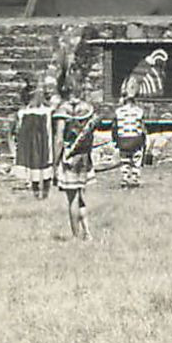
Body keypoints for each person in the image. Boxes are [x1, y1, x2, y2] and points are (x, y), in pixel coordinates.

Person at [52, 76, 97, 241]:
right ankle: (88, 232)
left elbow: (58, 139)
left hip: (69, 158)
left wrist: (54, 162)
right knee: (81, 195)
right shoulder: (87, 108)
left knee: (72, 199)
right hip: (84, 157)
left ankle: (76, 235)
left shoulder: (63, 109)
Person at [11, 79, 54, 200]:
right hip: (32, 144)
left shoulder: (47, 111)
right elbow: (17, 130)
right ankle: (36, 191)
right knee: (34, 163)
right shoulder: (23, 113)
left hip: (45, 141)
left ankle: (45, 190)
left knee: (46, 163)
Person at [111, 85, 148, 189]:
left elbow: (114, 127)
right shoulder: (139, 111)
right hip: (136, 138)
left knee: (125, 159)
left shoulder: (118, 112)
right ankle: (135, 177)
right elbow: (142, 127)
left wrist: (115, 139)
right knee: (136, 159)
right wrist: (144, 139)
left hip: (123, 139)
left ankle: (125, 177)